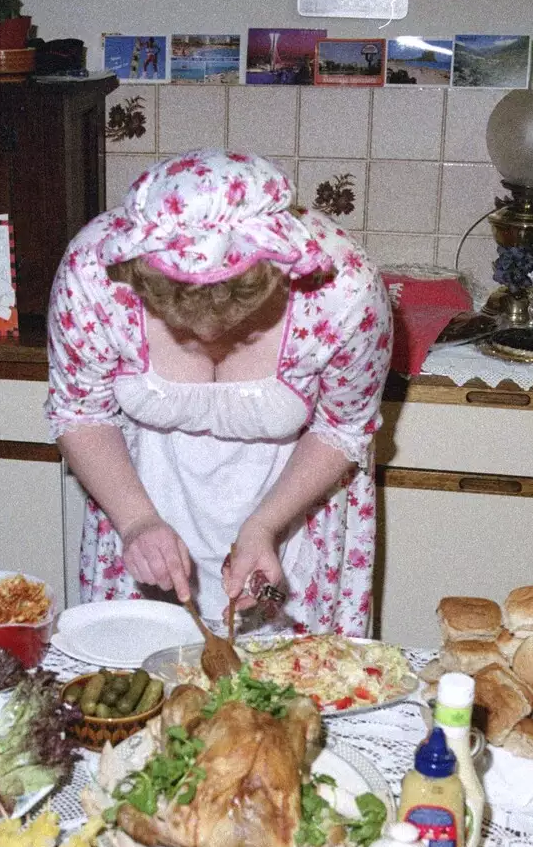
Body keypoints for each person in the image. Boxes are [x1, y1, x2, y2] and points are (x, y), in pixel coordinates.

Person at [46, 150, 392, 634]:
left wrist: (265, 526)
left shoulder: (343, 287)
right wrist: (137, 522)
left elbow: (343, 426)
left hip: (292, 512)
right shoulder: (96, 269)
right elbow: (80, 412)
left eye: (234, 321)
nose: (207, 338)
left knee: (287, 693)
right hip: (139, 500)